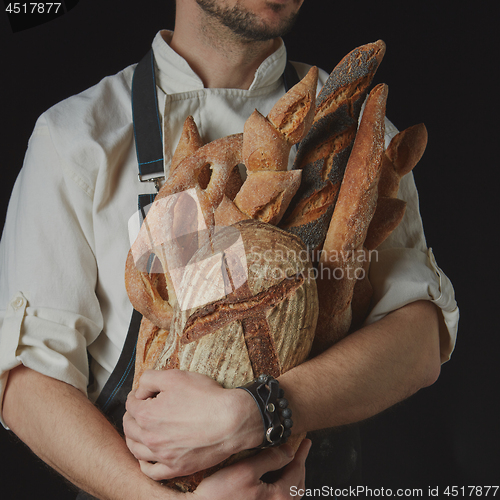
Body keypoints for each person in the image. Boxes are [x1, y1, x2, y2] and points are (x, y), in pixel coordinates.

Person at [0, 0, 459, 498]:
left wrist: (258, 412)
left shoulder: (356, 131)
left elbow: (421, 339)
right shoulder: (74, 141)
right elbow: (28, 383)